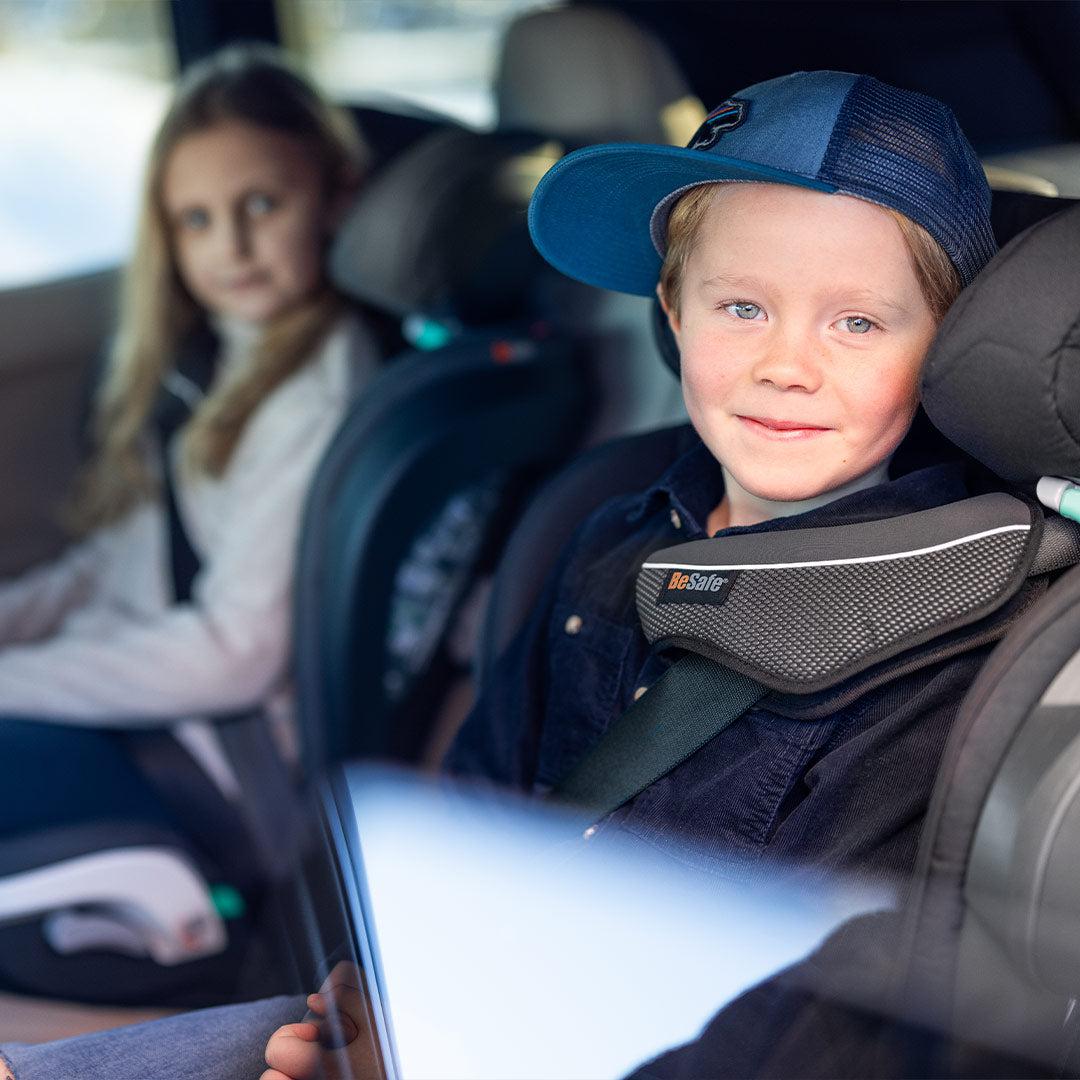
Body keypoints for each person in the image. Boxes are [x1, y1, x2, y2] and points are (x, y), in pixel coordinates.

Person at [0, 70, 1004, 1079]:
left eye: (857, 323)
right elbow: (480, 800)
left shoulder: (942, 635)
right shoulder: (610, 532)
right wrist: (396, 990)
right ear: (671, 311)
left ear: (947, 346)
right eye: (742, 306)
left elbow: (810, 1019)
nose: (786, 365)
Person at [0, 43, 380, 837]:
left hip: (214, 756)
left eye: (262, 205)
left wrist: (13, 679)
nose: (230, 247)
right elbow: (120, 564)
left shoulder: (311, 393)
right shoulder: (215, 354)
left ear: (336, 195)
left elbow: (235, 653)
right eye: (196, 220)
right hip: (138, 694)